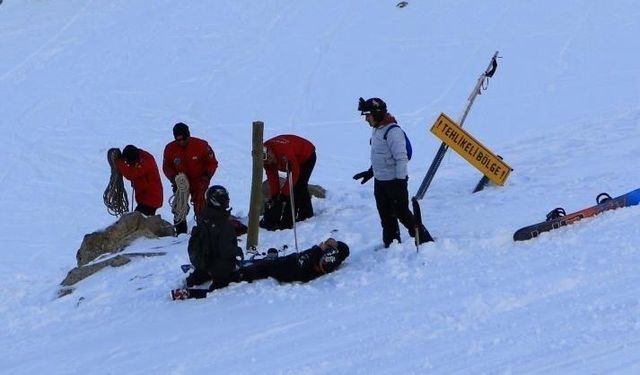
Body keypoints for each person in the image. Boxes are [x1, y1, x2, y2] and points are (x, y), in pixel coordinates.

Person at [353, 97, 434, 248]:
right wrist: (371, 172)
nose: (366, 119)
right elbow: (380, 155)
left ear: (377, 114)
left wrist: (400, 181)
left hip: (395, 182)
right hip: (380, 181)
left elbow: (401, 158)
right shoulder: (377, 130)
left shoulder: (393, 131)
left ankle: (425, 242)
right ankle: (391, 245)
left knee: (403, 214)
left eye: (368, 115)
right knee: (386, 216)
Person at [171, 238, 349, 300]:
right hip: (289, 264)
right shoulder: (329, 254)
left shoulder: (331, 256)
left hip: (289, 270)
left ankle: (194, 291)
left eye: (330, 243)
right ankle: (201, 275)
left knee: (244, 273)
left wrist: (319, 249)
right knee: (260, 264)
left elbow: (309, 265)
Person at [183, 185, 243, 289]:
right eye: (225, 200)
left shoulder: (205, 217)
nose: (228, 202)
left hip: (204, 264)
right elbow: (226, 250)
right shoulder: (223, 223)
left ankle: (197, 278)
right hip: (219, 266)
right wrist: (238, 252)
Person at [162, 122, 219, 234]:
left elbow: (212, 162)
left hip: (199, 182)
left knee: (201, 206)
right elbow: (166, 166)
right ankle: (181, 233)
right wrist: (174, 178)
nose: (181, 142)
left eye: (184, 139)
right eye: (178, 140)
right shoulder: (170, 149)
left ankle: (203, 231)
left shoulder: (201, 145)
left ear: (188, 135)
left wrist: (206, 176)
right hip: (181, 183)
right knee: (179, 207)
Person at [260, 134, 316, 230]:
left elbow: (294, 173)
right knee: (300, 186)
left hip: (306, 156)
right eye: (266, 161)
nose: (269, 161)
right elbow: (272, 176)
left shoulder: (284, 152)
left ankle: (288, 221)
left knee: (297, 188)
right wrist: (275, 196)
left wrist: (284, 194)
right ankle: (307, 212)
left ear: (271, 151)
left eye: (269, 158)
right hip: (293, 157)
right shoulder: (265, 159)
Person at [114, 145, 163, 216]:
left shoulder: (145, 161)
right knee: (140, 223)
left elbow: (130, 174)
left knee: (135, 222)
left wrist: (118, 162)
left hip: (150, 200)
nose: (129, 164)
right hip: (146, 199)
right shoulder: (139, 156)